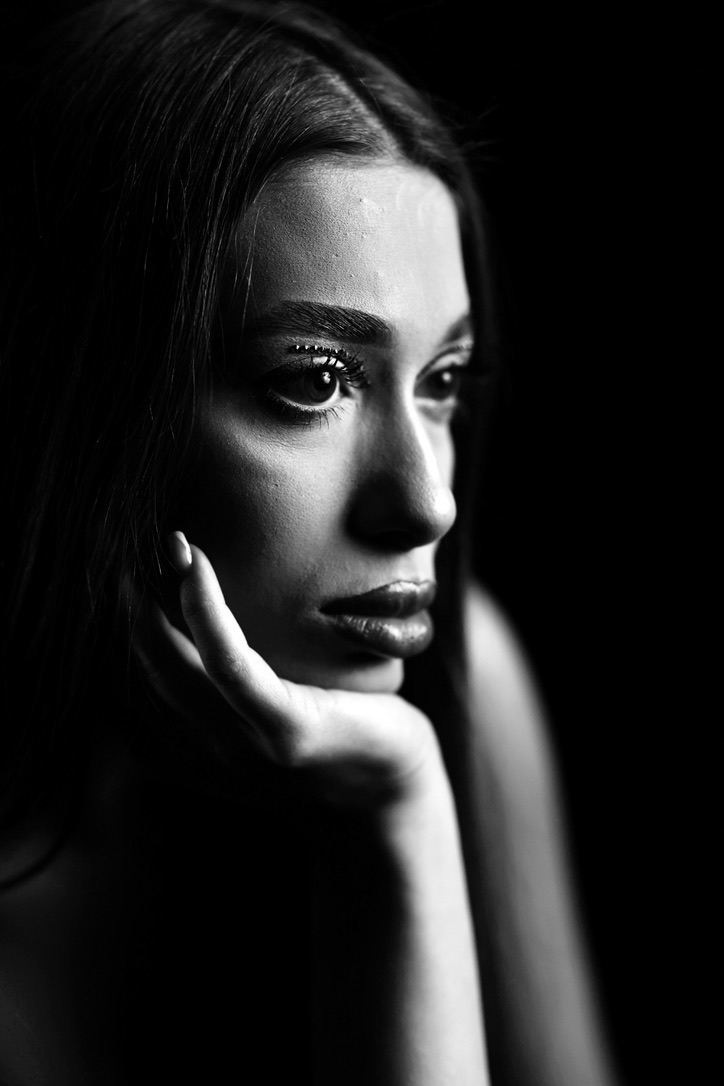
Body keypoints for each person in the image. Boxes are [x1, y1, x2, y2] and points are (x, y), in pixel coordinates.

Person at [0, 1, 620, 1083]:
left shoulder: (469, 695)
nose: (426, 505)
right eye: (314, 382)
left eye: (441, 385)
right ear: (94, 404)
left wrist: (398, 812)